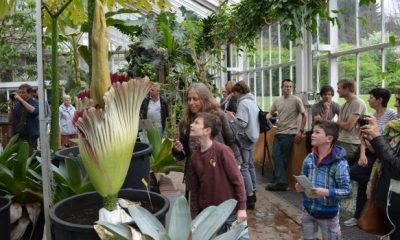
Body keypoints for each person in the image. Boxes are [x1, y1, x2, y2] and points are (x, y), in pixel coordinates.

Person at [172, 83, 242, 195]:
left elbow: (231, 141)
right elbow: (184, 153)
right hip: (196, 175)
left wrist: (237, 163)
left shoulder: (219, 116)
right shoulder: (185, 122)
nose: (191, 103)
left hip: (218, 171)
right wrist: (178, 150)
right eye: (189, 99)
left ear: (205, 99)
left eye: (195, 99)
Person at [188, 112, 248, 238]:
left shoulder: (222, 151)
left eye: (196, 123)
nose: (191, 125)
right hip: (209, 215)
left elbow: (238, 180)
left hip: (231, 212)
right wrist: (194, 219)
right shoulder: (194, 158)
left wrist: (242, 208)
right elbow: (194, 190)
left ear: (207, 131)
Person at [344, 88, 397, 227]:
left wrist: (375, 139)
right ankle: (359, 216)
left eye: (371, 98)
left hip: (381, 156)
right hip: (371, 152)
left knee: (359, 177)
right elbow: (365, 139)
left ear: (379, 100)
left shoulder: (392, 115)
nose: (368, 100)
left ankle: (369, 217)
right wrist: (362, 154)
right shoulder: (371, 115)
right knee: (357, 177)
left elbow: (387, 140)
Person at [295, 120, 351, 240]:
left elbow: (347, 191)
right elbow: (302, 179)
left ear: (329, 138)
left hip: (329, 214)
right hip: (308, 210)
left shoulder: (339, 163)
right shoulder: (309, 158)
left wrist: (325, 192)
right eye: (313, 131)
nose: (312, 134)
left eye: (317, 132)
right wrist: (299, 187)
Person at [360, 116, 400, 240]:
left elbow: (397, 168)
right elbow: (388, 156)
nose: (396, 104)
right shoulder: (396, 128)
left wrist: (377, 138)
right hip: (391, 200)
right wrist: (370, 141)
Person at [265, 79, 306, 191]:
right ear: (282, 88)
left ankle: (280, 181)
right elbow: (271, 112)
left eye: (290, 87)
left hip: (289, 133)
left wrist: (301, 131)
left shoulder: (296, 100)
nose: (288, 88)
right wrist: (268, 116)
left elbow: (304, 115)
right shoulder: (278, 100)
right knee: (276, 156)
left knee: (282, 158)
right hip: (279, 132)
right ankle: (279, 180)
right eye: (286, 86)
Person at [226, 80, 259, 209]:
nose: (233, 95)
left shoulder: (243, 103)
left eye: (234, 92)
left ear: (238, 91)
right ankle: (254, 191)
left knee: (244, 166)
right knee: (250, 165)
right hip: (253, 137)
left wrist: (231, 118)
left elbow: (242, 124)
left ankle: (249, 196)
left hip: (245, 138)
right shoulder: (252, 101)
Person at [336, 79, 367, 166]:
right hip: (340, 140)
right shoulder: (344, 105)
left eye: (339, 88)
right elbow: (340, 125)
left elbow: (348, 126)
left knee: (342, 168)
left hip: (351, 143)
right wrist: (342, 123)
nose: (337, 91)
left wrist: (340, 123)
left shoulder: (358, 103)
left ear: (348, 89)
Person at [306, 85, 340, 152]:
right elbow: (321, 124)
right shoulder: (315, 107)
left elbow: (342, 117)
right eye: (325, 94)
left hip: (329, 132)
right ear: (321, 96)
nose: (327, 96)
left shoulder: (335, 105)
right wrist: (326, 110)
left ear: (332, 95)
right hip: (316, 131)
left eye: (329, 94)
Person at [11, 84, 39, 149]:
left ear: (30, 94)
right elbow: (12, 118)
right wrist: (11, 106)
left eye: (23, 92)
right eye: (19, 92)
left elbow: (34, 111)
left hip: (30, 136)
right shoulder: (17, 104)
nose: (20, 95)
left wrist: (21, 100)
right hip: (18, 135)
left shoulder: (35, 102)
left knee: (30, 156)